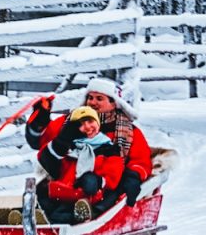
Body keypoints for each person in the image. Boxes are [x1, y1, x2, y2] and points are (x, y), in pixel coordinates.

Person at [24, 77, 153, 218]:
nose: (92, 102)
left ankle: (52, 220)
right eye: (90, 97)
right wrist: (40, 121)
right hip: (66, 183)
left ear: (114, 103)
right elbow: (41, 143)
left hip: (102, 189)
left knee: (69, 210)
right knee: (46, 200)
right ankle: (31, 218)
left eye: (99, 98)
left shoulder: (128, 132)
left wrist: (133, 176)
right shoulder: (70, 123)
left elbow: (141, 161)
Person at [32, 106, 124, 223]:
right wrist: (61, 141)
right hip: (66, 192)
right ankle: (32, 217)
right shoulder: (71, 147)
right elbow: (48, 162)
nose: (87, 127)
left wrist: (97, 180)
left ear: (97, 123)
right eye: (81, 124)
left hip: (92, 196)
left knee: (63, 212)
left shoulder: (108, 148)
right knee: (44, 198)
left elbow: (114, 174)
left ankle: (52, 220)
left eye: (90, 121)